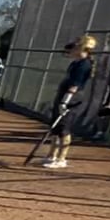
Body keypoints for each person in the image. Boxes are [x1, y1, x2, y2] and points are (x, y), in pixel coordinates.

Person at [43, 36, 96, 169]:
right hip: (63, 96)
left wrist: (65, 102)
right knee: (55, 128)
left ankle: (61, 158)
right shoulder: (75, 63)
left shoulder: (84, 65)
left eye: (76, 47)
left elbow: (75, 86)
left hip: (71, 99)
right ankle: (52, 155)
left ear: (82, 48)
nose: (72, 50)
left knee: (64, 129)